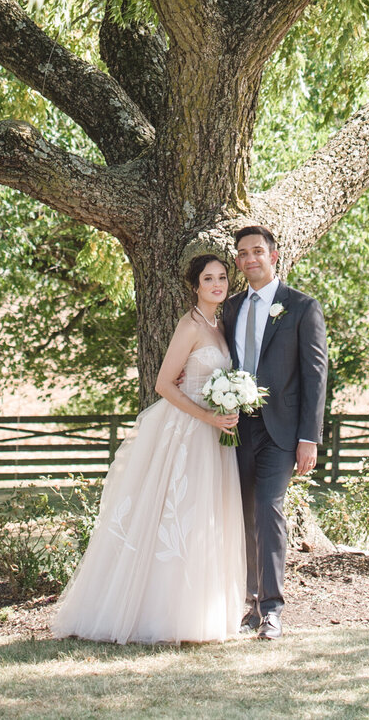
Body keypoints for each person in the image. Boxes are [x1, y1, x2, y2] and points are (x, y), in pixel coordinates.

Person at [50, 253, 247, 644]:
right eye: (208, 279)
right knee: (177, 518)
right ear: (196, 286)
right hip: (189, 434)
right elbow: (163, 384)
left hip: (216, 438)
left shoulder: (221, 326)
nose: (217, 284)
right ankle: (159, 618)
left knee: (206, 522)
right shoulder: (189, 325)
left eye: (222, 277)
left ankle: (202, 614)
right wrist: (207, 417)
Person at [222, 225, 328, 639]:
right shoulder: (230, 309)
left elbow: (315, 376)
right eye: (243, 253)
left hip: (282, 432)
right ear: (237, 261)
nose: (251, 259)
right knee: (243, 515)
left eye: (258, 252)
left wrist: (310, 437)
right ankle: (249, 604)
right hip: (235, 429)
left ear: (274, 255)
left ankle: (272, 609)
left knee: (269, 509)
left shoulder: (302, 307)